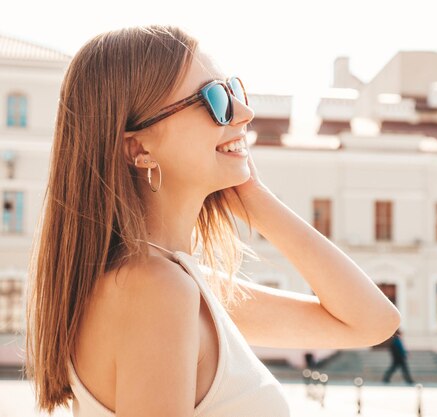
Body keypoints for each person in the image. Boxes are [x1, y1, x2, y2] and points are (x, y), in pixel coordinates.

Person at [23, 24, 401, 416]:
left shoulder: (174, 284)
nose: (245, 112)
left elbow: (372, 323)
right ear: (138, 147)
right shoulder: (157, 290)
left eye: (233, 89)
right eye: (214, 99)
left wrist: (255, 197)